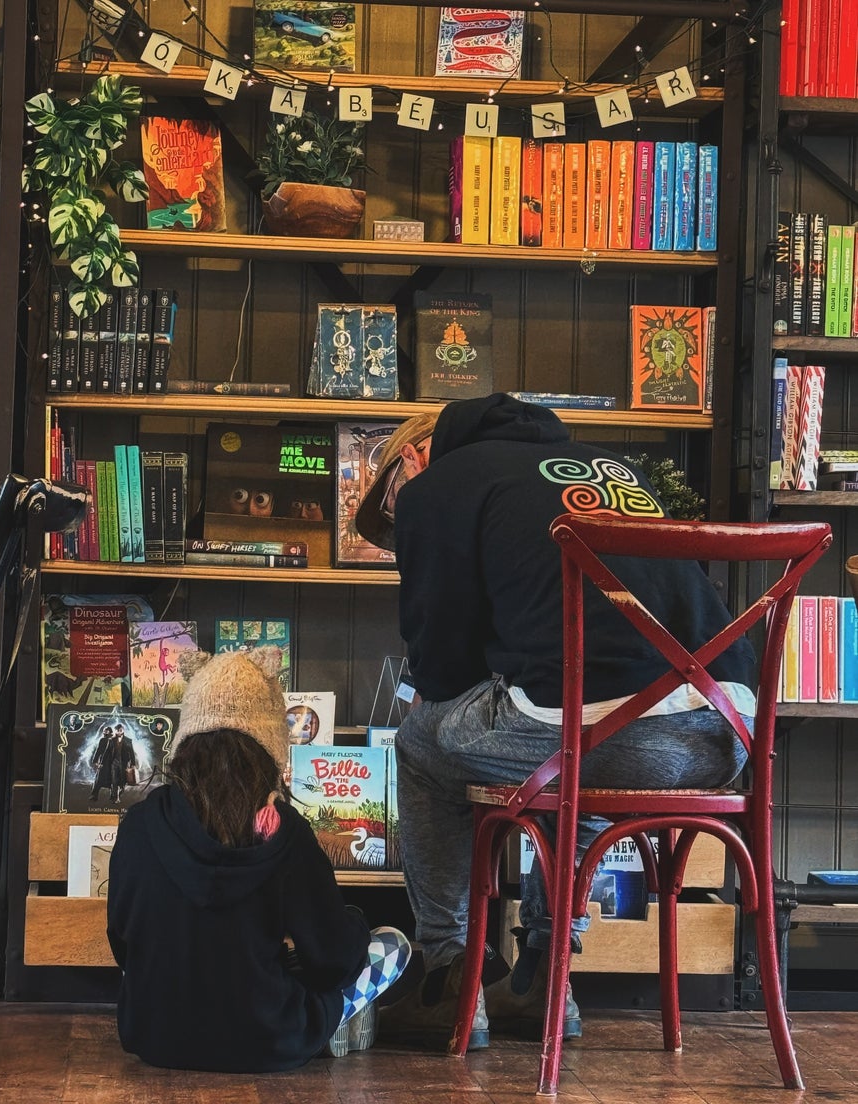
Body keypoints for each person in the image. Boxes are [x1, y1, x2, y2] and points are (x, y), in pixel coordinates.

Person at [354, 392, 755, 1050]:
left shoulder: (439, 486)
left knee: (425, 745)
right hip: (722, 733)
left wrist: (433, 698)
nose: (403, 521)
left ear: (411, 458)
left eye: (395, 507)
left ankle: (446, 974)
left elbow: (441, 662)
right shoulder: (612, 467)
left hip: (603, 735)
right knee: (573, 736)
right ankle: (545, 973)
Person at [106, 646, 411, 1072]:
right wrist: (349, 928)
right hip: (269, 1041)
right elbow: (335, 960)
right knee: (392, 944)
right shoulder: (285, 832)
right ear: (271, 742)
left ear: (186, 735)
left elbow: (123, 945)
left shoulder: (139, 824)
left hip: (154, 1038)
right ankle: (332, 1022)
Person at [90, 722, 137, 804]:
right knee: (114, 780)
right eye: (117, 730)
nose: (119, 732)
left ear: (123, 731)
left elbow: (131, 752)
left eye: (120, 730)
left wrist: (133, 763)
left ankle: (120, 792)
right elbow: (106, 752)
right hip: (113, 763)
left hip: (124, 763)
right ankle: (114, 798)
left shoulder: (128, 740)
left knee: (123, 781)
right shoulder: (111, 740)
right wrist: (101, 762)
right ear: (115, 731)